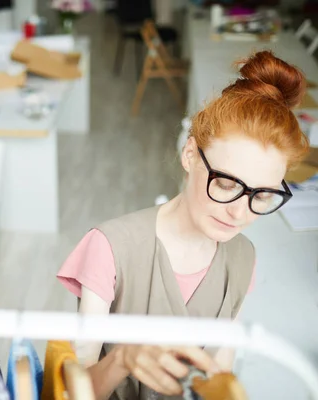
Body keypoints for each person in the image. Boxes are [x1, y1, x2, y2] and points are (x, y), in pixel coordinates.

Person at [57, 50, 309, 400]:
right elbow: (74, 392)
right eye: (226, 184)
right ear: (190, 154)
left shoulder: (242, 258)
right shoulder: (111, 247)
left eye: (262, 195)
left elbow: (219, 375)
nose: (239, 213)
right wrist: (123, 359)